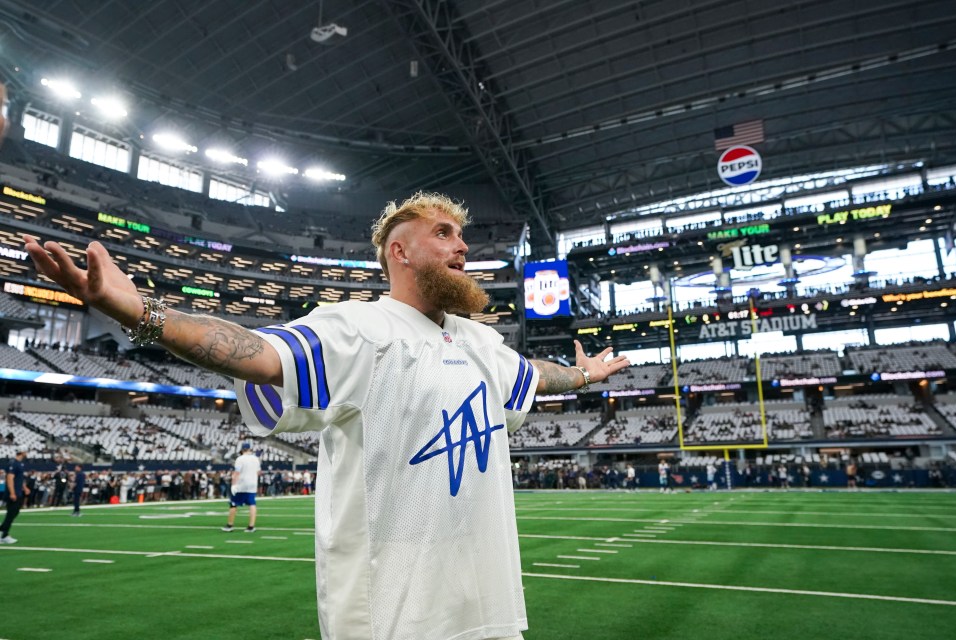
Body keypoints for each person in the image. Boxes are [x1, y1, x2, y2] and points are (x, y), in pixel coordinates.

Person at [24, 192, 632, 640]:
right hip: (394, 622)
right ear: (400, 250)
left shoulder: (479, 344)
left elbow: (531, 379)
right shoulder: (359, 328)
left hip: (489, 615)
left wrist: (583, 375)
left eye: (461, 237)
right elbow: (258, 353)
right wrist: (140, 314)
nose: (463, 247)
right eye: (443, 234)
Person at [222, 443, 260, 533]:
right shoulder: (256, 459)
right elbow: (258, 472)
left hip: (242, 483)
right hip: (253, 483)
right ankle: (251, 526)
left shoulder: (240, 459)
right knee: (252, 504)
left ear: (242, 449)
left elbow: (237, 473)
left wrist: (233, 484)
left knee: (233, 504)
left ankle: (230, 525)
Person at [1, 450, 29, 543]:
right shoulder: (13, 463)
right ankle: (3, 533)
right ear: (22, 452)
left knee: (14, 512)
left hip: (18, 492)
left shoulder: (20, 464)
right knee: (11, 513)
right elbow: (10, 478)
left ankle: (3, 532)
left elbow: (19, 478)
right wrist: (12, 492)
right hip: (13, 493)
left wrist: (24, 488)